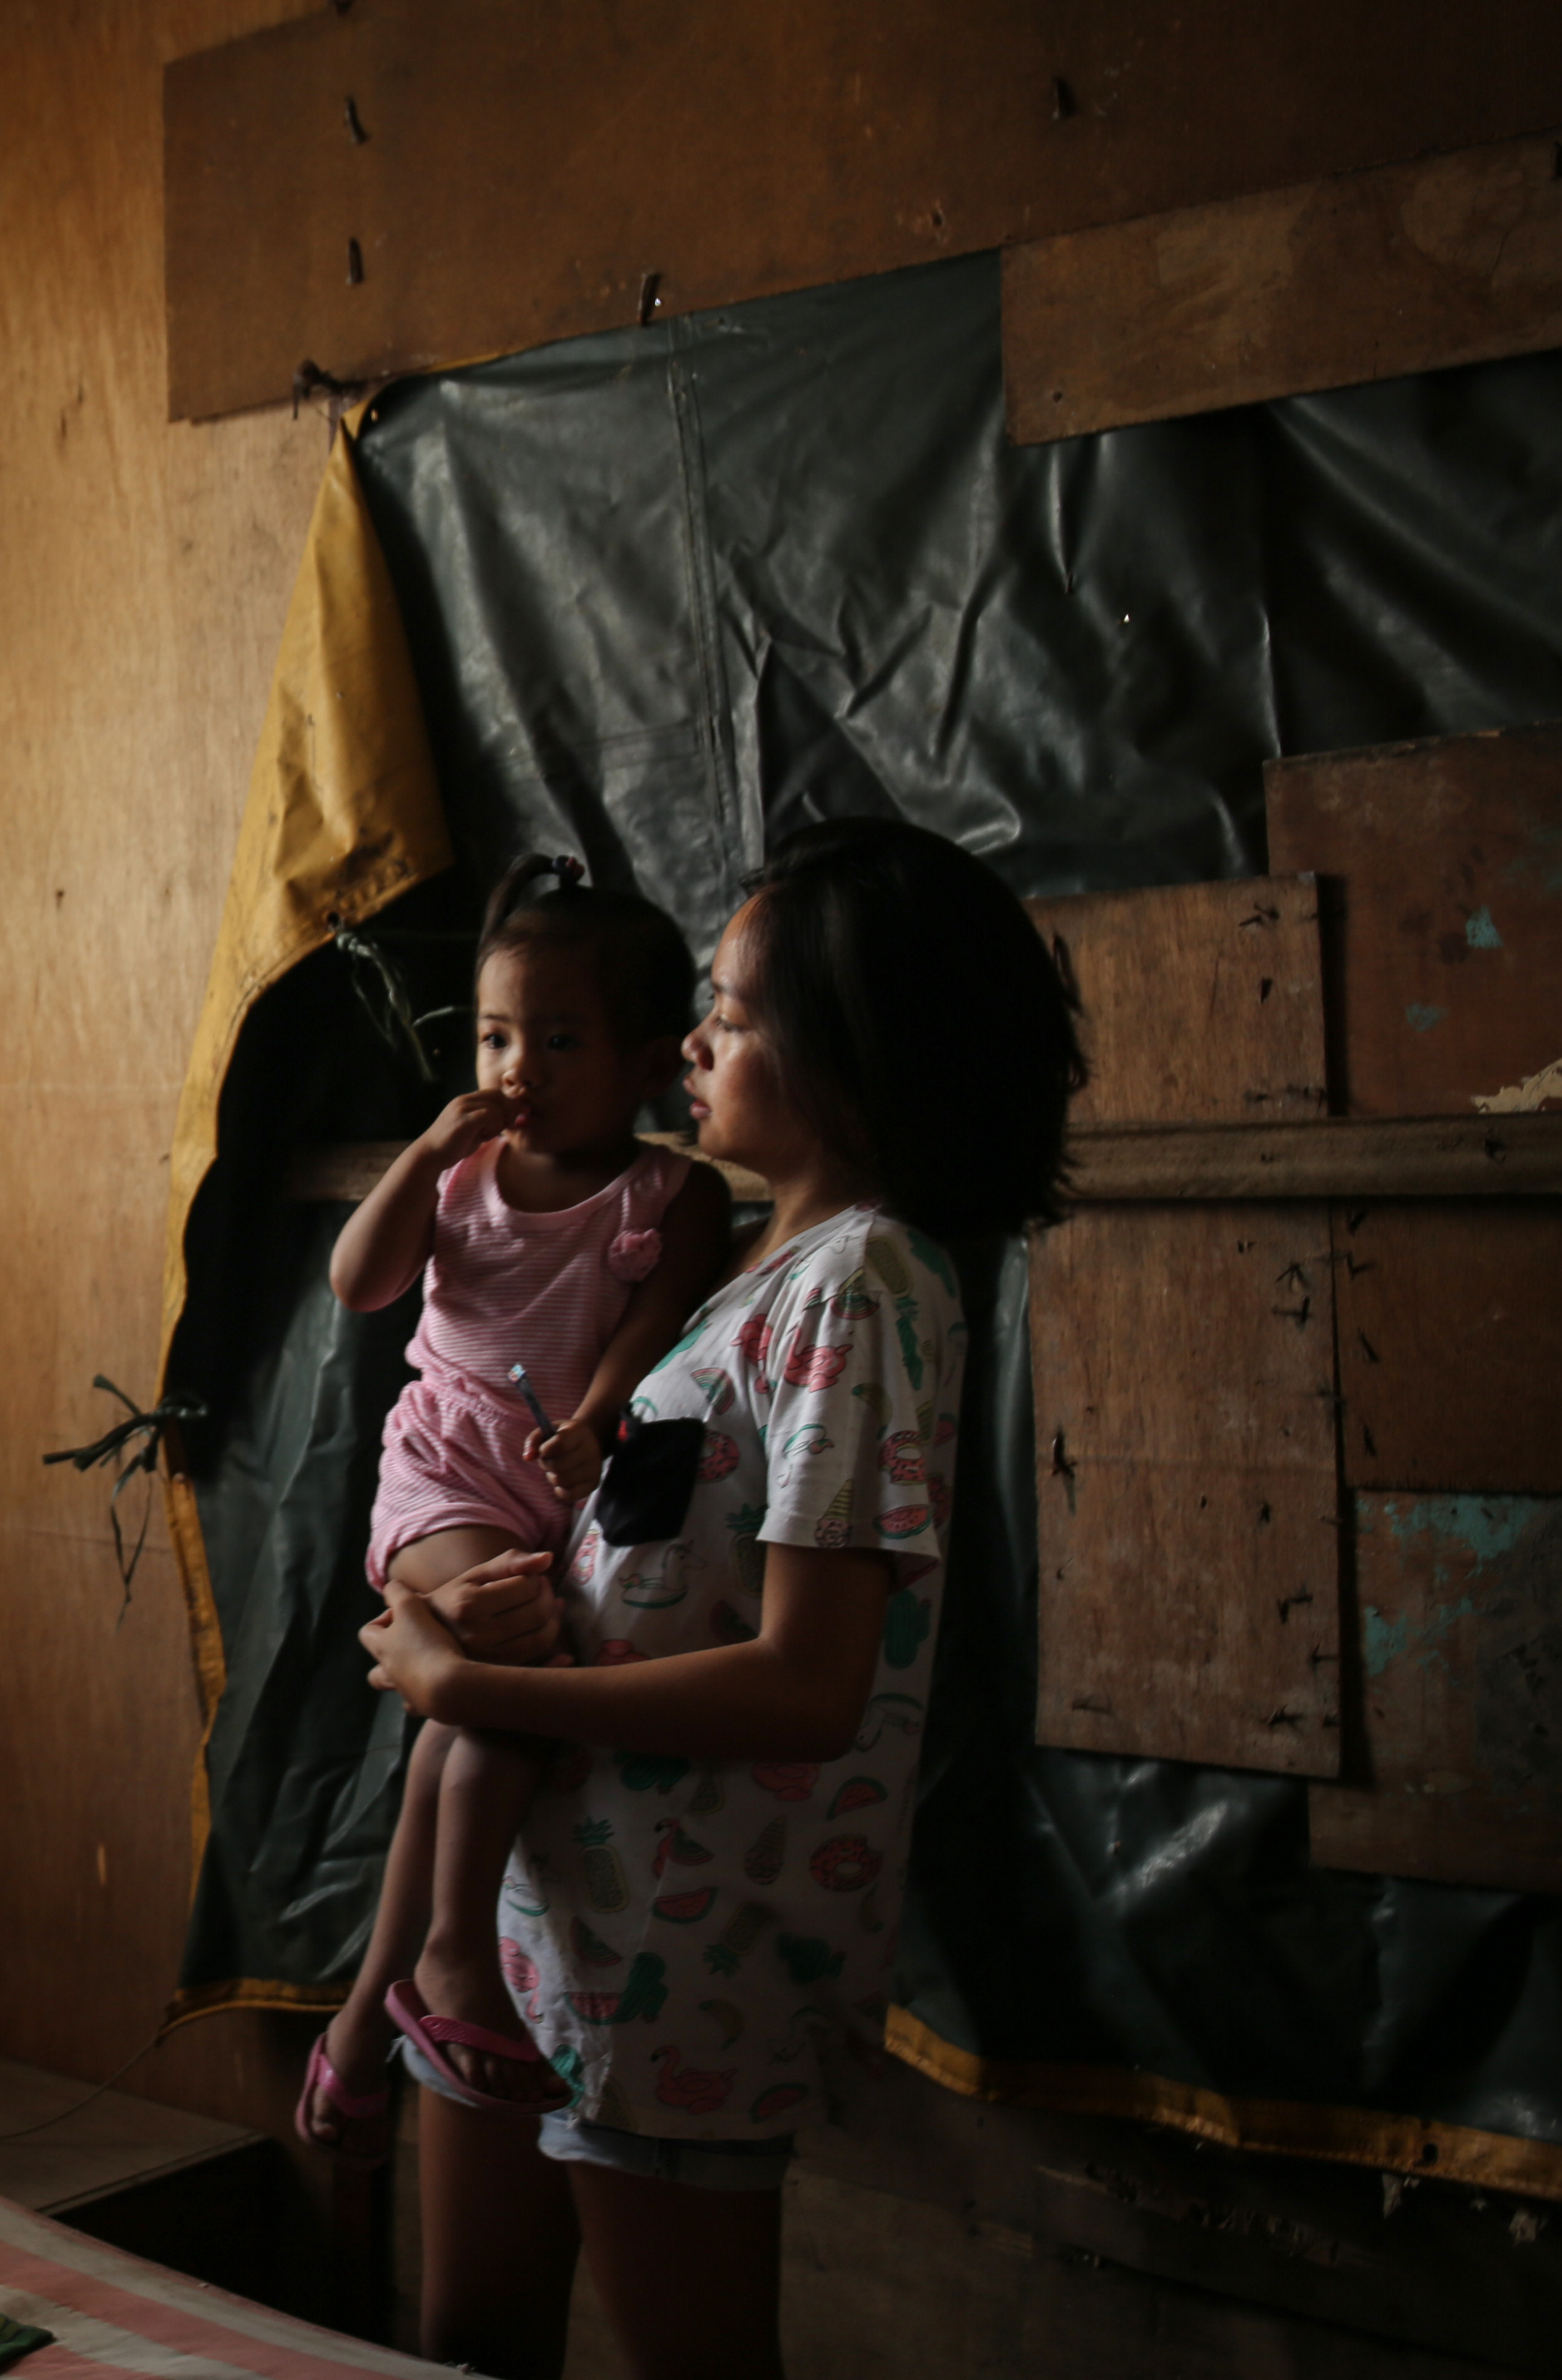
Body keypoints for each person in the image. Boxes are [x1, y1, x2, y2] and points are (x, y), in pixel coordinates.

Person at [358, 817, 1082, 2379]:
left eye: (735, 1014)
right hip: (551, 1941)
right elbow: (663, 1565)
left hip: (672, 1989)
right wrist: (497, 1616)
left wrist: (475, 1692)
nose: (691, 1042)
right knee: (472, 2341)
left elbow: (805, 1685)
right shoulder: (755, 1275)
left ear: (847, 1048)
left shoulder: (865, 1286)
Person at [296, 857, 729, 2154]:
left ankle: (370, 2019)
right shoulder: (464, 1172)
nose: (518, 1064)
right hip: (441, 1475)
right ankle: (453, 1965)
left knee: (487, 1700)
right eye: (495, 1035)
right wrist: (429, 1150)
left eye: (558, 1037)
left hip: (554, 1486)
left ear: (652, 1062)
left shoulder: (675, 1196)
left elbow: (645, 1337)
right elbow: (359, 1285)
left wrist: (596, 1420)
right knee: (514, 1667)